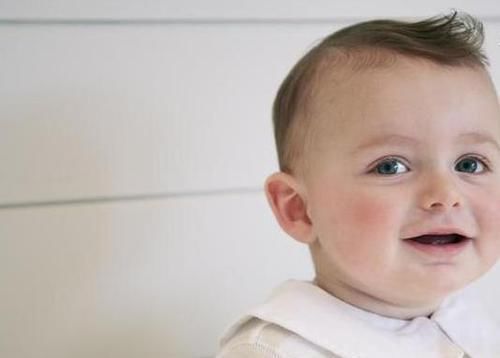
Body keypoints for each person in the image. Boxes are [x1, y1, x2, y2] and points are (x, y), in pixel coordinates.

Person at [216, 11, 500, 357]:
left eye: (470, 163)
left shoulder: (466, 317)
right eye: (390, 166)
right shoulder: (274, 350)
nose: (445, 194)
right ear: (300, 209)